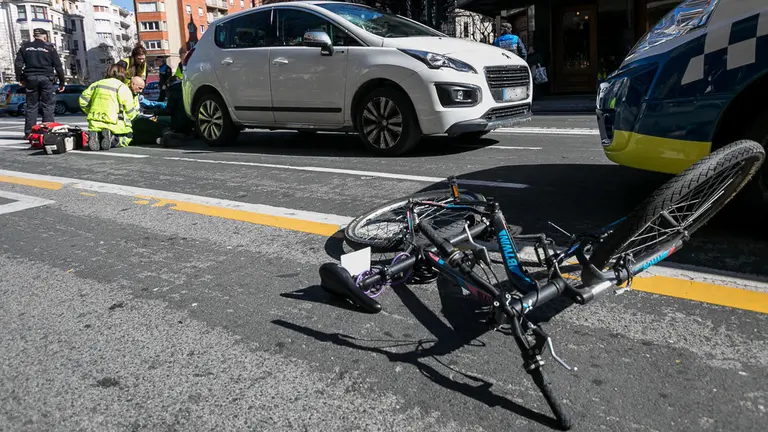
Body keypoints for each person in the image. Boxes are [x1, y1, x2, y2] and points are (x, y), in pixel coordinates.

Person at [14, 28, 66, 138]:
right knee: (48, 106)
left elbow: (18, 63)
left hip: (30, 78)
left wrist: (19, 78)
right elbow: (58, 66)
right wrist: (62, 82)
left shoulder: (25, 47)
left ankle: (29, 133)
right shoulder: (50, 48)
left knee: (31, 106)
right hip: (47, 78)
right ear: (45, 36)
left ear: (34, 36)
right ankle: (47, 132)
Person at [79, 64, 139, 150]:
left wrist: (89, 111)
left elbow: (82, 101)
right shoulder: (122, 87)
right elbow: (129, 109)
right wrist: (132, 117)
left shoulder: (96, 84)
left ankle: (97, 136)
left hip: (94, 121)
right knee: (128, 137)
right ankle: (113, 140)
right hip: (113, 123)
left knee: (98, 131)